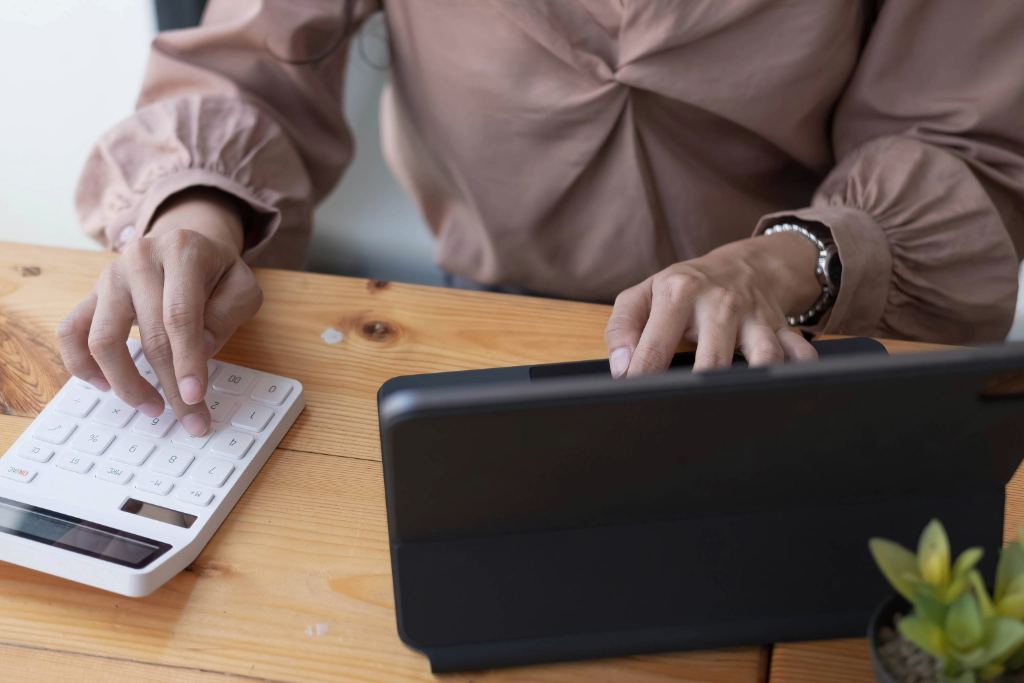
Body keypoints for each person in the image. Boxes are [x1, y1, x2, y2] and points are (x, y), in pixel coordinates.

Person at [58, 0, 1024, 436]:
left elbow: (960, 150)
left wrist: (778, 265)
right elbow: (253, 59)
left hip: (802, 337)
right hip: (491, 321)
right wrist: (195, 215)